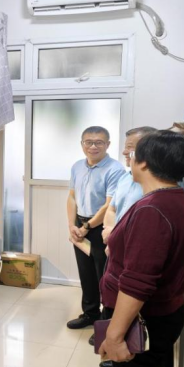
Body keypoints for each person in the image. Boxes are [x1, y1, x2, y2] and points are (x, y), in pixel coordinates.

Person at [98, 130, 184, 367]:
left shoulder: (152, 209)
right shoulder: (175, 199)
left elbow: (137, 282)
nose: (127, 157)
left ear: (144, 163)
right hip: (161, 312)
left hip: (142, 318)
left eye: (132, 153)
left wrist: (115, 335)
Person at [66, 126, 126, 331]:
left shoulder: (115, 169)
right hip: (80, 226)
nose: (93, 146)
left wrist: (87, 227)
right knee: (86, 274)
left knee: (105, 278)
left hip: (102, 228)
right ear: (82, 144)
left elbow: (109, 205)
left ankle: (106, 323)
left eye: (99, 142)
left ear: (107, 144)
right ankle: (90, 314)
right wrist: (72, 225)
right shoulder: (77, 167)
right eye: (88, 142)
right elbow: (72, 197)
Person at [102, 127, 157, 240]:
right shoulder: (124, 178)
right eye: (125, 147)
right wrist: (110, 233)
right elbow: (112, 209)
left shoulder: (161, 182)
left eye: (130, 147)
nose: (124, 152)